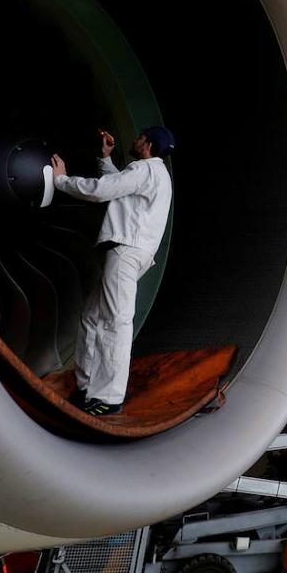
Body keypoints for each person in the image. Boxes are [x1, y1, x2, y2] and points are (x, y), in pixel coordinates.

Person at [50, 125, 175, 416]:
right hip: (133, 253)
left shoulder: (144, 170)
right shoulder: (156, 175)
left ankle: (108, 397)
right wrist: (105, 158)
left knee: (115, 323)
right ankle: (87, 388)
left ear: (147, 144)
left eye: (140, 137)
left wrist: (61, 181)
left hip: (124, 252)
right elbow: (120, 188)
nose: (134, 140)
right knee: (93, 317)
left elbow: (102, 192)